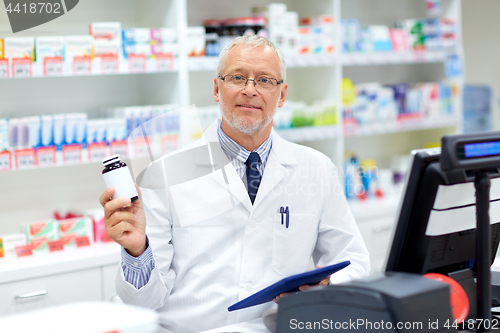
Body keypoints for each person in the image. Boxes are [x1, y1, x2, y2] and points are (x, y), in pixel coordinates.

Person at [99, 35, 370, 333]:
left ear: (281, 95)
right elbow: (145, 302)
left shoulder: (316, 169)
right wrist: (138, 252)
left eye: (265, 80)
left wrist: (327, 286)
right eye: (237, 77)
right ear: (217, 88)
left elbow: (353, 260)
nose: (250, 90)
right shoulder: (164, 175)